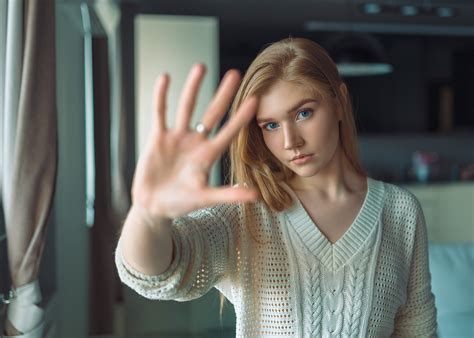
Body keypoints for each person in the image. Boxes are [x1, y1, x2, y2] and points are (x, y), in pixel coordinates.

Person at [115, 37, 438, 337]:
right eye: (270, 125)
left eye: (303, 113)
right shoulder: (247, 211)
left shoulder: (400, 210)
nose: (290, 142)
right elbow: (159, 275)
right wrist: (148, 215)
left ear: (339, 102)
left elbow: (416, 326)